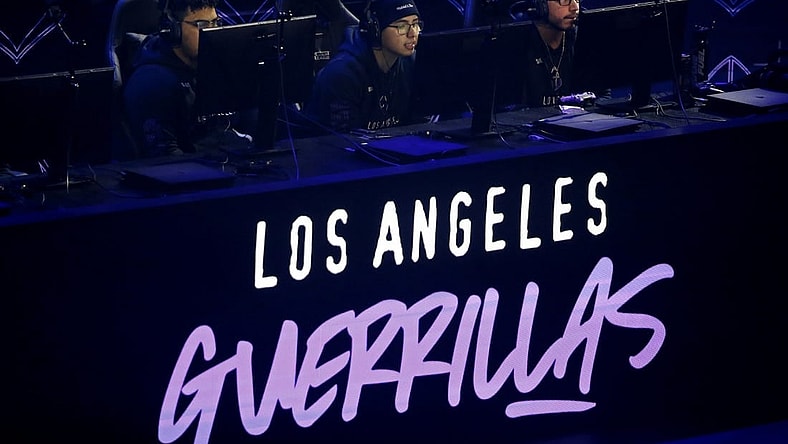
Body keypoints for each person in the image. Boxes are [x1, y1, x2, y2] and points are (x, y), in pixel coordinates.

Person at [122, 0, 252, 158]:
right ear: (173, 29)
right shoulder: (152, 82)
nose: (211, 32)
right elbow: (164, 159)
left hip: (234, 161)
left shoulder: (216, 64)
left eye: (215, 22)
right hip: (199, 174)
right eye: (202, 25)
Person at [304, 0, 422, 133]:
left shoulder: (413, 63)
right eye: (402, 26)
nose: (413, 33)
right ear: (376, 29)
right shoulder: (342, 75)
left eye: (415, 24)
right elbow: (343, 139)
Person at [511, 0, 587, 107]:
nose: (575, 8)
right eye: (564, 1)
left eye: (577, 0)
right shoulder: (514, 44)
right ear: (540, 5)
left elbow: (601, 94)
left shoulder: (583, 37)